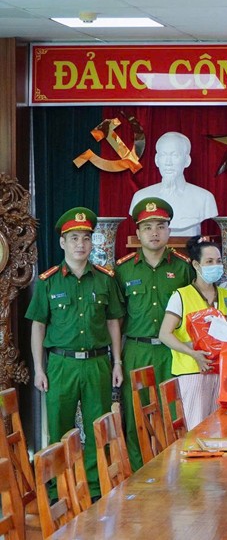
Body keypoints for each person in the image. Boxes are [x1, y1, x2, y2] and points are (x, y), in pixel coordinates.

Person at [28, 207, 124, 499]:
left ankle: (96, 489)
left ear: (92, 242)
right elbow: (38, 326)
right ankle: (58, 492)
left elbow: (113, 322)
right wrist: (39, 368)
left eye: (85, 238)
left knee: (98, 429)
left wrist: (117, 362)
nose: (80, 244)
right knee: (59, 428)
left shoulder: (105, 279)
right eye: (73, 238)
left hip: (97, 363)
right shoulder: (48, 281)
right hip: (61, 364)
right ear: (62, 243)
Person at [115, 197, 193, 471]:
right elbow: (116, 319)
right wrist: (117, 360)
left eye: (161, 226)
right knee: (136, 416)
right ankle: (139, 476)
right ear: (138, 233)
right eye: (147, 227)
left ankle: (175, 475)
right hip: (137, 350)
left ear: (169, 230)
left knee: (174, 413)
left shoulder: (183, 268)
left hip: (173, 352)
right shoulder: (123, 270)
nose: (154, 232)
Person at [158, 235, 227, 429]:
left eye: (218, 261)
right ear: (196, 265)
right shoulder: (181, 296)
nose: (216, 266)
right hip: (192, 372)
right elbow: (164, 334)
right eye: (209, 261)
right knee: (196, 430)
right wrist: (193, 353)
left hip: (224, 373)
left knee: (222, 431)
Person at [129, 132, 218, 236]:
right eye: (163, 155)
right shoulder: (141, 197)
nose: (168, 163)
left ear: (187, 160)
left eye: (175, 155)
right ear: (156, 160)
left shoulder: (204, 198)